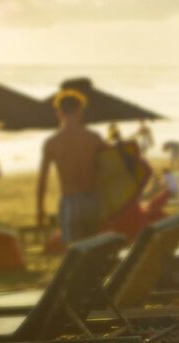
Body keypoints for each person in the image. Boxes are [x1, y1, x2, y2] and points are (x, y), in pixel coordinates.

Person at [37, 90, 105, 244]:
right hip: (93, 200)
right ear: (80, 111)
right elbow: (107, 170)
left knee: (76, 251)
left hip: (70, 201)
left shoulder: (52, 142)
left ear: (58, 113)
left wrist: (40, 208)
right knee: (97, 247)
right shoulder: (94, 138)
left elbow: (43, 179)